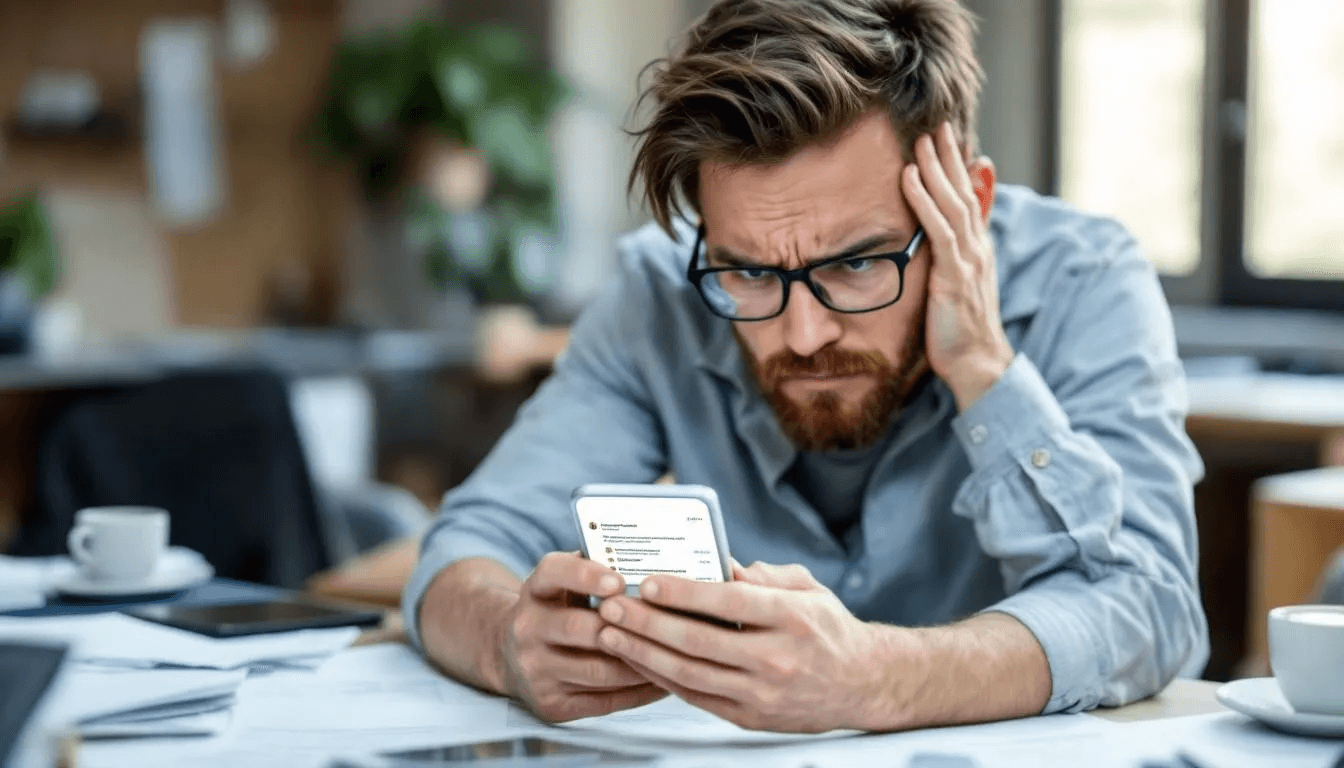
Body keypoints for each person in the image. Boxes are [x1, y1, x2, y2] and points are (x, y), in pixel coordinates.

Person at [404, 0, 1208, 733]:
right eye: (749, 272)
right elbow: (470, 544)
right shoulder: (662, 291)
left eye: (857, 266)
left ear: (970, 205)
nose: (804, 332)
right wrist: (510, 638)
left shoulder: (1085, 280)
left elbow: (1149, 605)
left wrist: (982, 368)